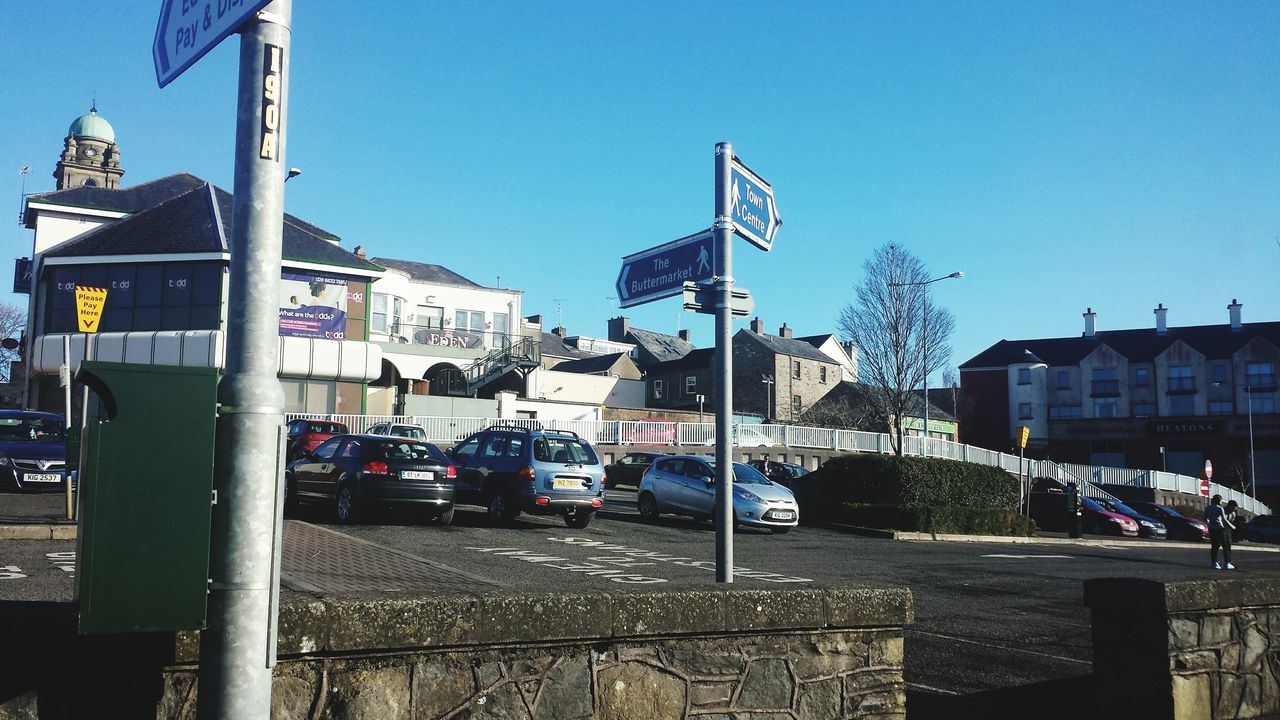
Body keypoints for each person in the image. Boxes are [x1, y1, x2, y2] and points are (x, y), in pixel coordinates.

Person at [1205, 495, 1233, 570]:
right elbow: (1224, 519)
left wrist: (1209, 524)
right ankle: (1227, 563)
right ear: (1219, 501)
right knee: (1225, 545)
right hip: (1220, 528)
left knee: (1214, 546)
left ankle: (1214, 562)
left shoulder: (1208, 508)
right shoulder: (1220, 508)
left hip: (1211, 528)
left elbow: (1205, 518)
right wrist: (1232, 526)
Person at [1223, 500, 1239, 570]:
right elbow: (1224, 521)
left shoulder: (1233, 513)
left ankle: (1228, 561)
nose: (1235, 509)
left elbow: (1232, 521)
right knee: (1221, 546)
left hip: (1228, 530)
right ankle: (1216, 561)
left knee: (1228, 545)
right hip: (1221, 529)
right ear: (1230, 506)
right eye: (1234, 507)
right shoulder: (1223, 511)